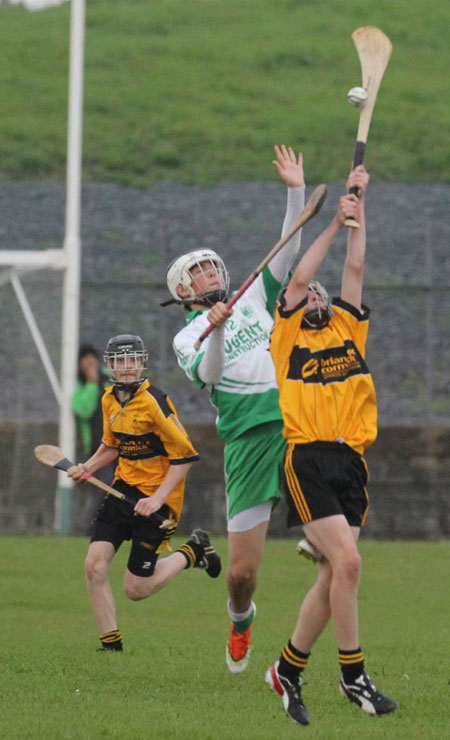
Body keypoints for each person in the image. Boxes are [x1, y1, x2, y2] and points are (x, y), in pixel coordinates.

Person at [165, 145, 306, 674]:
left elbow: (288, 250)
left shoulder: (253, 297)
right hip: (247, 442)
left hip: (295, 424)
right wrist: (217, 328)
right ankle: (240, 618)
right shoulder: (188, 335)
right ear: (183, 289)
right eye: (198, 271)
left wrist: (295, 190)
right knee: (242, 573)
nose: (209, 272)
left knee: (332, 531)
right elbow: (210, 374)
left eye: (211, 265)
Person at [265, 166, 397, 725]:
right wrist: (332, 226)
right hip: (308, 458)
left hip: (352, 462)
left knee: (334, 573)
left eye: (323, 292)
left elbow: (357, 266)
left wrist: (357, 213)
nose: (319, 294)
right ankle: (353, 675)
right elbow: (296, 279)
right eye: (311, 293)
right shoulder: (288, 333)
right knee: (348, 561)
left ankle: (288, 670)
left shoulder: (348, 326)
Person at [67, 333, 221, 653]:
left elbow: (185, 457)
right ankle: (111, 646)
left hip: (158, 499)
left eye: (131, 361)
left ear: (141, 363)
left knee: (136, 589)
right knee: (94, 565)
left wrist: (157, 499)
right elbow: (112, 445)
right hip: (122, 488)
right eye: (120, 361)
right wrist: (88, 467)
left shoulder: (155, 402)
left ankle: (192, 552)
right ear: (110, 365)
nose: (126, 368)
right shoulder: (109, 398)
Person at [72, 344, 117, 527]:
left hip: (121, 443)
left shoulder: (111, 379)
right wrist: (91, 383)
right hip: (98, 448)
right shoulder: (80, 386)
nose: (90, 363)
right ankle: (96, 527)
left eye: (93, 358)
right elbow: (83, 410)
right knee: (103, 487)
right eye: (85, 359)